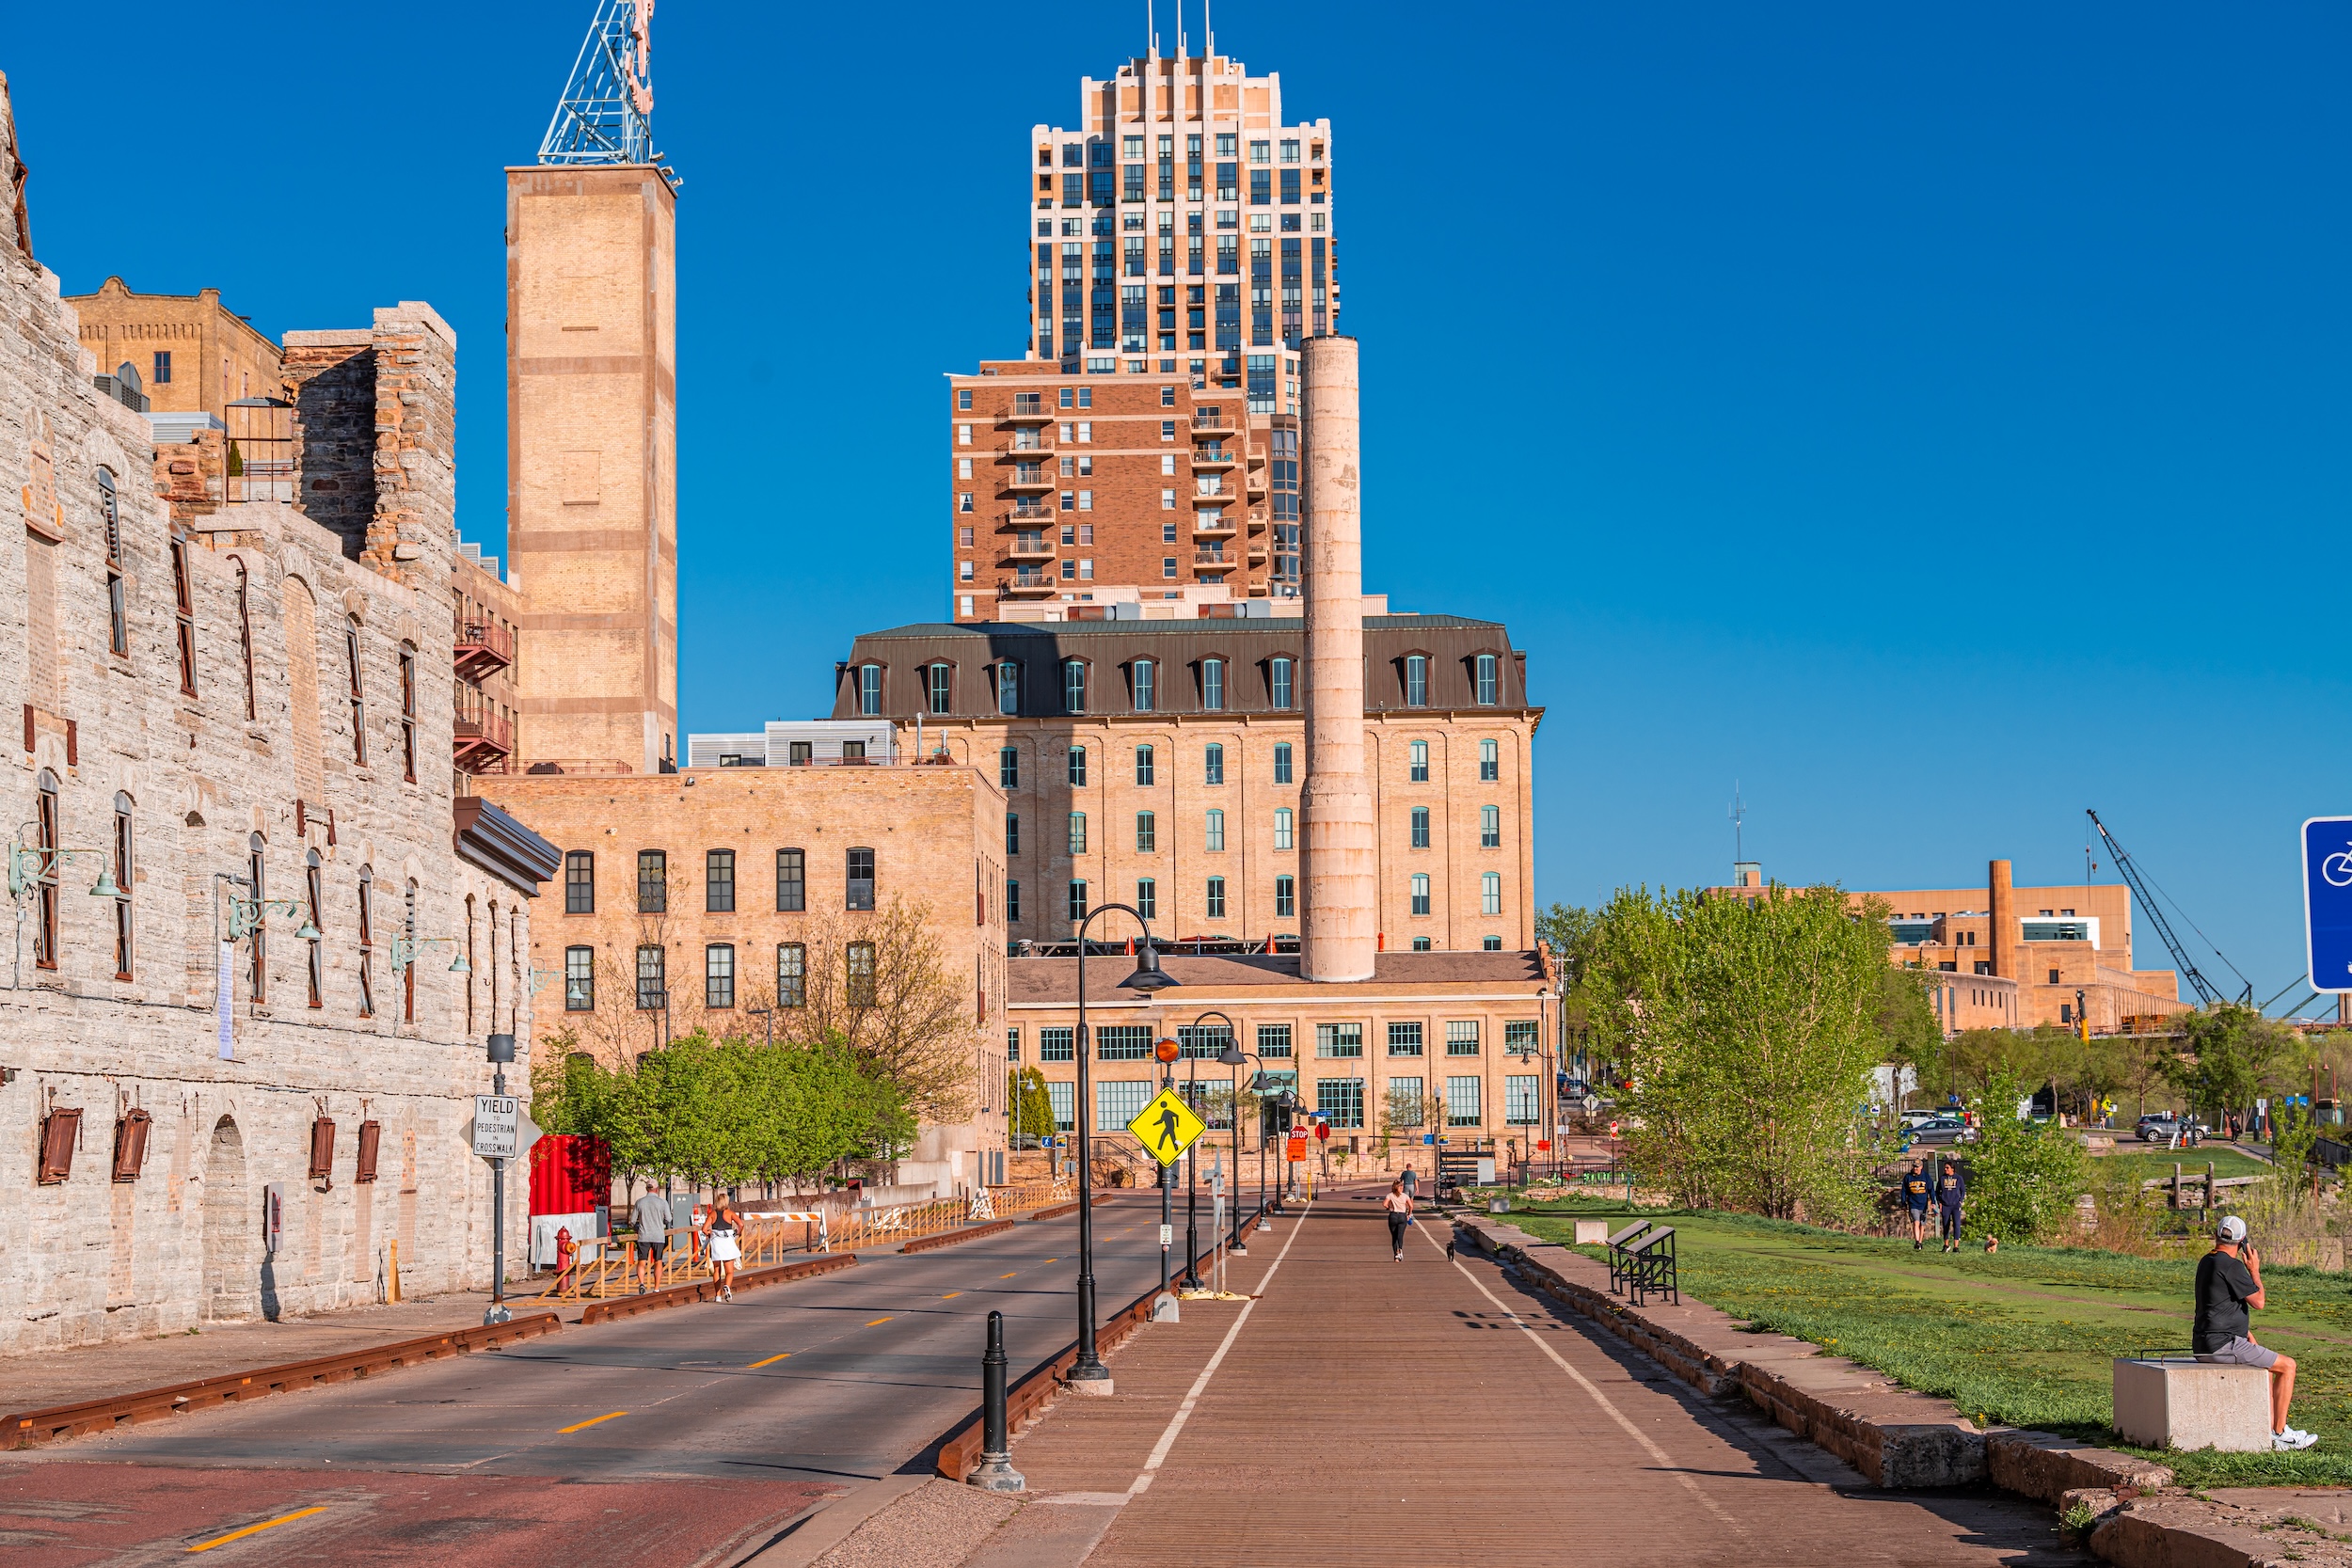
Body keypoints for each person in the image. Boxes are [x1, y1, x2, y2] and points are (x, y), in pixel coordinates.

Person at [2197, 1215, 2313, 1449]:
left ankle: (2268, 1430)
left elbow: (2218, 1304)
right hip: (2223, 1346)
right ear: (2242, 1242)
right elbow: (2259, 1301)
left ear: (2216, 1236)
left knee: (2268, 1370)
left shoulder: (2206, 1261)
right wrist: (2255, 1270)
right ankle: (2281, 1433)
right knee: (2288, 1366)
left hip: (2206, 1342)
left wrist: (2245, 1335)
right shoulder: (2232, 1266)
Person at [630, 1187, 671, 1292]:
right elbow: (669, 1219)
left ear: (646, 1188)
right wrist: (661, 1223)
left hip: (644, 1236)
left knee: (642, 1261)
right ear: (657, 1189)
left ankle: (642, 1283)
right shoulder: (663, 1202)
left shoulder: (640, 1202)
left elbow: (632, 1221)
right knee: (658, 1261)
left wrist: (637, 1229)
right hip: (658, 1236)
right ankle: (656, 1288)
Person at [707, 1198, 742, 1302]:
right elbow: (741, 1224)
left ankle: (718, 1296)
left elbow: (704, 1228)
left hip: (716, 1243)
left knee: (716, 1270)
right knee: (730, 1271)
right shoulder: (730, 1213)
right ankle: (727, 1285)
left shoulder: (712, 1214)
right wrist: (737, 1233)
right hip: (727, 1243)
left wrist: (709, 1233)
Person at [1935, 1161, 1966, 1253]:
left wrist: (1960, 1201)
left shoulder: (1958, 1178)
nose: (1945, 1169)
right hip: (1945, 1205)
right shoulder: (1942, 1178)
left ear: (1952, 1169)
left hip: (1955, 1205)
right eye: (1945, 1168)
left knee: (1956, 1224)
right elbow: (1937, 1192)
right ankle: (1946, 1245)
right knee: (1946, 1225)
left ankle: (1956, 1246)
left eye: (1947, 1168)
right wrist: (1939, 1202)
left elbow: (1963, 1191)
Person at [1902, 1160, 1932, 1249]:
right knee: (1916, 1222)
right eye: (1914, 1166)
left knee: (1922, 1224)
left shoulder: (1926, 1176)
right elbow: (1904, 1191)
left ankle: (1920, 1241)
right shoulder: (1908, 1177)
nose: (1916, 1168)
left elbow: (1931, 1190)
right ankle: (1917, 1241)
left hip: (1923, 1204)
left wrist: (1933, 1202)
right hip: (1913, 1203)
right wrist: (1903, 1202)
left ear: (1921, 1167)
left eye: (1917, 1167)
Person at [1382, 1179, 1413, 1261]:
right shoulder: (1405, 1196)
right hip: (1402, 1216)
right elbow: (1411, 1206)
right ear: (1398, 1188)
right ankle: (1400, 1250)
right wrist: (1409, 1214)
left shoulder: (1390, 1195)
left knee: (1394, 1236)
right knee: (1400, 1235)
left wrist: (1389, 1207)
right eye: (1401, 1187)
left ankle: (1396, 1254)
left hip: (1393, 1216)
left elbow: (1384, 1204)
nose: (1402, 1188)